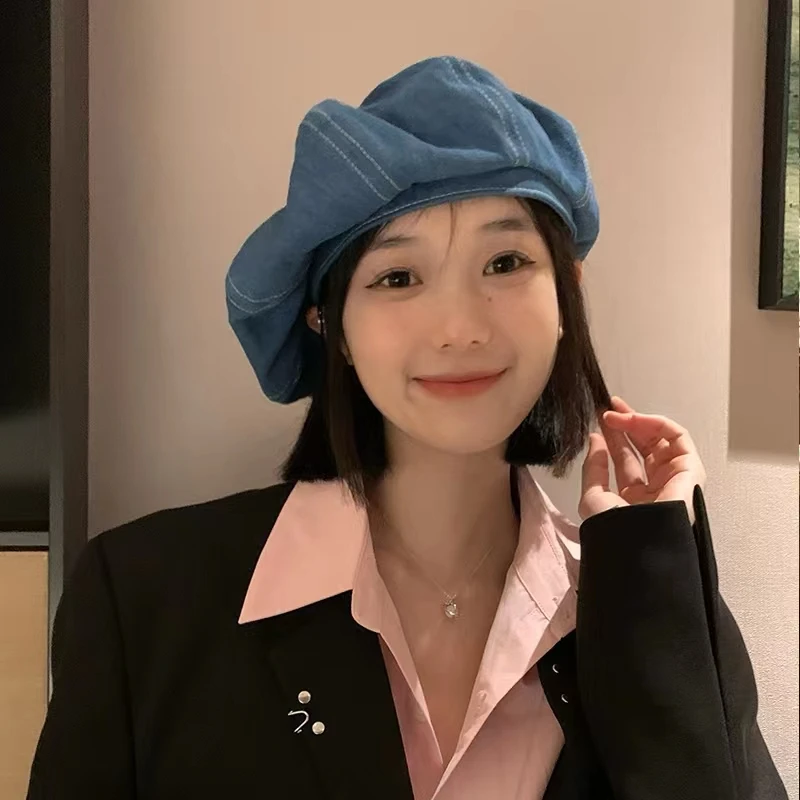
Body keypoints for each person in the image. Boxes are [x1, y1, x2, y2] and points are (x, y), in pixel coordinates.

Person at [26, 56, 787, 800]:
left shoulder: (641, 602)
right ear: (332, 325)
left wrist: (654, 571)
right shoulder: (144, 602)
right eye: (398, 276)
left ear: (566, 295)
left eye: (505, 262)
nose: (460, 327)